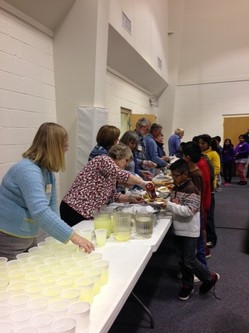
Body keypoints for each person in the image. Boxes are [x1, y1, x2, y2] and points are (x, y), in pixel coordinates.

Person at [0, 122, 95, 260]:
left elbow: (53, 210)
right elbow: (40, 211)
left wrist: (61, 237)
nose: (66, 150)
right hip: (10, 238)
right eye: (65, 146)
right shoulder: (28, 170)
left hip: (27, 236)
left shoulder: (47, 172)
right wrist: (73, 236)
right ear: (54, 148)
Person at [165, 159, 219, 301]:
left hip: (189, 230)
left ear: (185, 174)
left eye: (176, 176)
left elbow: (189, 210)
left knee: (190, 260)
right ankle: (187, 285)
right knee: (182, 260)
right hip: (178, 229)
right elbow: (176, 205)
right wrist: (167, 204)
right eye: (172, 175)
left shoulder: (192, 189)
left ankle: (209, 277)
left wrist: (168, 205)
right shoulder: (177, 187)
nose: (173, 178)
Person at [60, 143, 152, 227]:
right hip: (74, 209)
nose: (127, 164)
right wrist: (143, 183)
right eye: (126, 160)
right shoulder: (103, 159)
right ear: (118, 156)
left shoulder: (111, 173)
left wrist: (129, 198)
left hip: (85, 212)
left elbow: (112, 196)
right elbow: (122, 175)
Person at [198, 134, 220, 250]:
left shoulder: (213, 154)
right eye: (200, 143)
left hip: (210, 186)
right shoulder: (201, 155)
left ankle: (211, 238)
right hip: (203, 186)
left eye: (203, 143)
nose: (201, 145)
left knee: (209, 214)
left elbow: (216, 169)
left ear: (208, 144)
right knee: (204, 214)